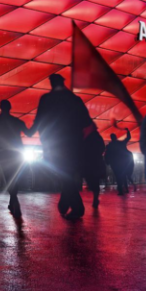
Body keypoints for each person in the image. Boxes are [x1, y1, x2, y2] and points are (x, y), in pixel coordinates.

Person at [32, 74, 92, 220]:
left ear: (51, 83)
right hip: (74, 145)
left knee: (63, 174)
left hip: (55, 146)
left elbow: (38, 121)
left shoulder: (46, 99)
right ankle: (64, 203)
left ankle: (77, 208)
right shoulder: (74, 99)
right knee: (67, 174)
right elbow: (86, 122)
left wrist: (28, 131)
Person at [0, 99, 32, 218]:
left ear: (0, 108)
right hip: (17, 153)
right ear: (10, 107)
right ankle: (13, 201)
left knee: (9, 178)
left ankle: (13, 200)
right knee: (15, 177)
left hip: (3, 154)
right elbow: (29, 133)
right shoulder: (16, 121)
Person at [81, 123, 106, 208]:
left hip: (89, 162)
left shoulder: (86, 137)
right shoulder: (98, 137)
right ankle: (95, 198)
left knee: (91, 179)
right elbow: (102, 148)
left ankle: (95, 196)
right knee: (95, 180)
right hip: (97, 162)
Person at [105, 129, 132, 195]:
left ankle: (120, 190)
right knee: (123, 175)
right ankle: (125, 188)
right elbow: (128, 138)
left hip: (114, 164)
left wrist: (107, 162)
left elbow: (106, 154)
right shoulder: (120, 143)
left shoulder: (109, 146)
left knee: (118, 176)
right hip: (123, 163)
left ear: (111, 138)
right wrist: (127, 131)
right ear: (116, 137)